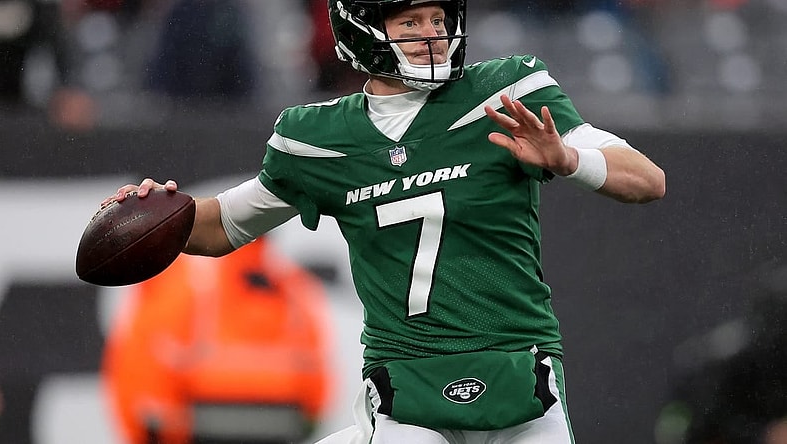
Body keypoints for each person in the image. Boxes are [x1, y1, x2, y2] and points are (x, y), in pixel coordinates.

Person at [104, 1, 666, 442]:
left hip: (519, 372)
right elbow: (222, 227)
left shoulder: (505, 93)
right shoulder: (318, 139)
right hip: (406, 384)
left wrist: (569, 159)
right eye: (411, 20)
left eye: (439, 18)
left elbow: (647, 181)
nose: (432, 33)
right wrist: (160, 210)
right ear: (363, 26)